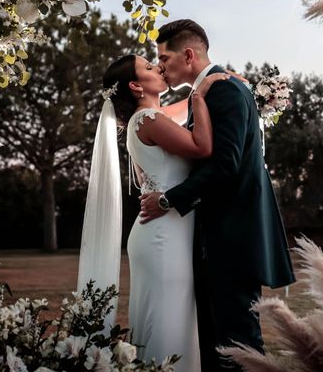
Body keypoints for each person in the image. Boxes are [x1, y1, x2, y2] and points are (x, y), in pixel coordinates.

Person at [140, 19, 296, 371]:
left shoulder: (224, 91)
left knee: (237, 343)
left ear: (189, 54)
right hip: (220, 236)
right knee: (217, 340)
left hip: (233, 237)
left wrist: (168, 199)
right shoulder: (212, 90)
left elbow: (226, 165)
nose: (161, 66)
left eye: (164, 57)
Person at [77, 52, 228, 372]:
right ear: (135, 85)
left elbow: (182, 108)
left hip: (164, 228)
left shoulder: (150, 117)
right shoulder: (148, 119)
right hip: (162, 236)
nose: (157, 67)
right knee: (168, 319)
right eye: (148, 67)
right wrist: (199, 96)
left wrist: (211, 86)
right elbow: (202, 147)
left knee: (172, 317)